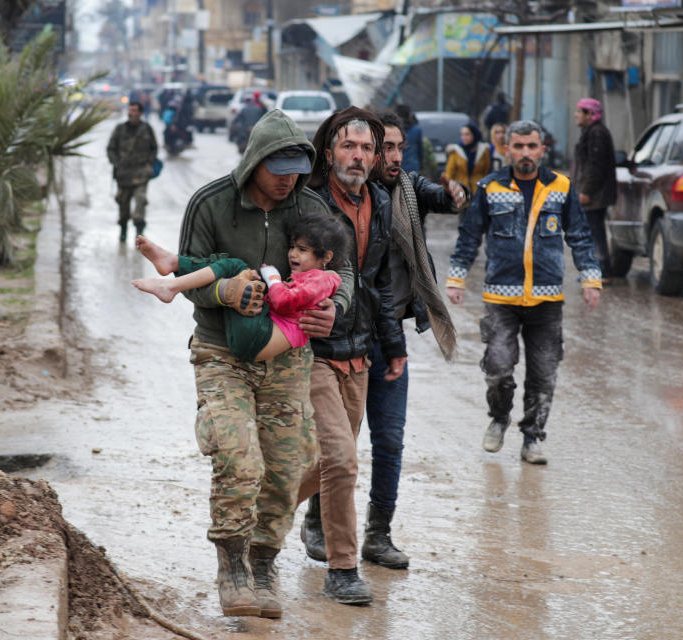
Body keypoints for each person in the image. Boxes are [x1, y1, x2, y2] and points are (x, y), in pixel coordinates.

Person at [177, 109, 351, 618]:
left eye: (297, 169)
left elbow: (345, 274)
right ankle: (231, 568)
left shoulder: (310, 204)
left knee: (285, 467)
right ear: (254, 161)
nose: (288, 180)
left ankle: (263, 563)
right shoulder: (210, 204)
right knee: (237, 456)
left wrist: (332, 312)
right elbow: (189, 274)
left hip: (288, 359)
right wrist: (222, 290)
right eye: (278, 169)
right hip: (221, 352)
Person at [297, 106, 407, 605]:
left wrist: (394, 345)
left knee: (323, 465)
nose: (360, 156)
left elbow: (381, 282)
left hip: (361, 354)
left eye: (368, 148)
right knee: (340, 461)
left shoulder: (381, 200)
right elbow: (287, 270)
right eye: (349, 146)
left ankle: (257, 526)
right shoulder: (309, 202)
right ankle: (343, 569)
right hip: (313, 349)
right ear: (330, 152)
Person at [445, 119, 602, 465]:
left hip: (547, 301)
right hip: (501, 299)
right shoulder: (489, 187)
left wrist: (591, 279)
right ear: (507, 149)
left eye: (532, 146)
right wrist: (456, 279)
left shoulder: (561, 187)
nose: (525, 153)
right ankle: (499, 418)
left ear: (542, 150)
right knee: (499, 368)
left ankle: (532, 438)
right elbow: (469, 237)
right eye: (519, 146)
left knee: (544, 373)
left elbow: (579, 236)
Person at [354, 110, 466, 571]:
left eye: (400, 147)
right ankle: (318, 521)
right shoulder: (346, 197)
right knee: (335, 442)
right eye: (386, 147)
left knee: (391, 440)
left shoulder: (408, 190)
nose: (394, 156)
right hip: (344, 337)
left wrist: (454, 195)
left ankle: (378, 536)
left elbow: (437, 197)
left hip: (390, 341)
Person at [131, 212, 346, 362]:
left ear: (326, 257)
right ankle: (173, 270)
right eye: (292, 247)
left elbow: (282, 302)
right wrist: (257, 282)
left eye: (302, 249)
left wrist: (272, 279)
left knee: (235, 266)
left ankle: (174, 272)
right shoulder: (310, 278)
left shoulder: (324, 280)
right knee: (237, 271)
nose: (293, 254)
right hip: (251, 340)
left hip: (257, 339)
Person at [573, 98, 617, 282]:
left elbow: (595, 166)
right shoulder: (590, 132)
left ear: (590, 114)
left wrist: (586, 191)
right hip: (593, 193)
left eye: (579, 111)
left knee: (595, 231)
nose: (576, 115)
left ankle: (602, 271)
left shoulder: (596, 133)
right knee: (591, 231)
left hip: (596, 194)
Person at [106, 101, 158, 242]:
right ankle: (123, 230)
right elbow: (111, 148)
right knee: (123, 204)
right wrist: (116, 162)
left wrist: (149, 162)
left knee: (140, 200)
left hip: (141, 173)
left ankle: (139, 231)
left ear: (140, 113)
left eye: (134, 110)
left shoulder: (146, 129)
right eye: (130, 110)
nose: (131, 113)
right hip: (124, 174)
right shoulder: (120, 129)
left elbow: (154, 148)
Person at [444, 122, 491, 195]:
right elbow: (449, 173)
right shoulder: (456, 151)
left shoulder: (483, 150)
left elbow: (486, 171)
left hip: (479, 190)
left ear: (474, 135)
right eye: (462, 134)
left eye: (467, 134)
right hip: (460, 190)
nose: (464, 137)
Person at [394, 104, 423, 174]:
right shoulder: (417, 130)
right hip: (413, 167)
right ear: (409, 116)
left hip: (397, 166)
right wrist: (421, 165)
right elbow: (420, 150)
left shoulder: (394, 130)